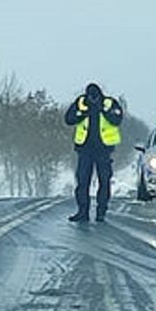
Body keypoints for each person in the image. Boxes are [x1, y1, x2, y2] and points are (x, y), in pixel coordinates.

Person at [64, 83, 123, 222]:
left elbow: (117, 120)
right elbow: (68, 119)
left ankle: (101, 211)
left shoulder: (109, 103)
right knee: (82, 181)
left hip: (103, 150)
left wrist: (104, 110)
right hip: (85, 149)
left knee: (104, 180)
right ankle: (82, 212)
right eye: (90, 96)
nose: (92, 99)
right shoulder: (81, 103)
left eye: (95, 96)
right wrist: (82, 112)